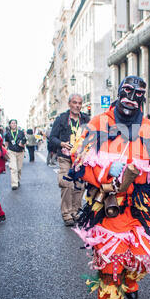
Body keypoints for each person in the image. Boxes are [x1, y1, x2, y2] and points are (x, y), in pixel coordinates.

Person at [69, 76, 150, 299]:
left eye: (139, 93)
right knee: (112, 256)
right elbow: (79, 161)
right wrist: (106, 172)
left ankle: (129, 281)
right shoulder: (98, 123)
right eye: (127, 90)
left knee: (143, 253)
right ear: (118, 92)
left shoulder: (148, 126)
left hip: (138, 204)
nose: (132, 96)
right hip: (109, 203)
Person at [50, 93, 90, 226]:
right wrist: (62, 143)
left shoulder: (85, 119)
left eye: (79, 103)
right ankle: (66, 213)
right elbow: (52, 138)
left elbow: (92, 136)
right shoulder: (61, 119)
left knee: (79, 186)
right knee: (66, 183)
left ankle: (75, 211)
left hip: (80, 158)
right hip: (65, 157)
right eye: (74, 102)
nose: (77, 105)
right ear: (69, 104)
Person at [5, 119, 26, 190]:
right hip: (11, 152)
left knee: (19, 168)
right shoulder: (7, 134)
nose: (14, 124)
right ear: (10, 125)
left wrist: (22, 144)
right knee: (13, 168)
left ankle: (17, 180)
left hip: (20, 152)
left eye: (15, 123)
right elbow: (6, 144)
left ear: (16, 124)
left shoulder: (21, 132)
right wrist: (5, 152)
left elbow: (25, 142)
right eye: (12, 123)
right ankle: (14, 184)